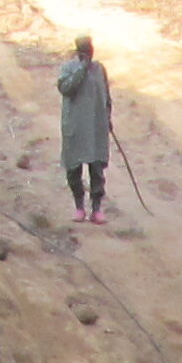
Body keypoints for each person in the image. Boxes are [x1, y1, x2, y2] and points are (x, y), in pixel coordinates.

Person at [56, 35, 114, 225]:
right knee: (74, 168)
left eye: (89, 49)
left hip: (96, 126)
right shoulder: (68, 68)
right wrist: (82, 68)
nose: (88, 53)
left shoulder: (99, 70)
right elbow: (66, 88)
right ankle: (79, 206)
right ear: (78, 51)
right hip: (75, 124)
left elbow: (106, 95)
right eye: (84, 50)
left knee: (96, 168)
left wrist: (108, 118)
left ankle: (96, 208)